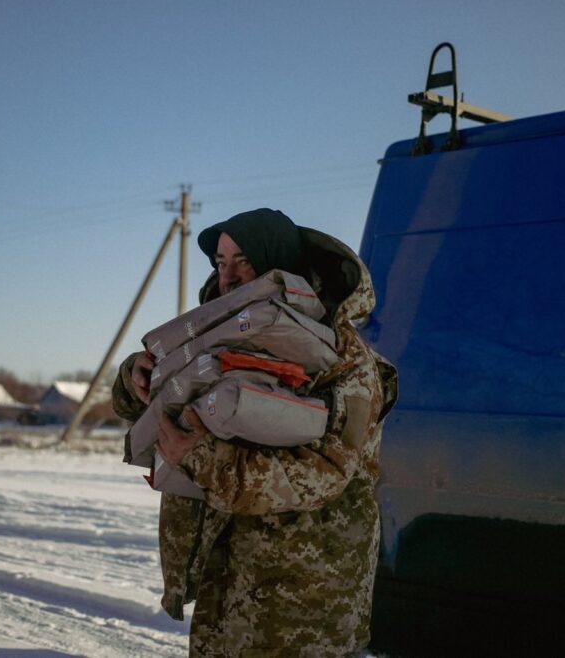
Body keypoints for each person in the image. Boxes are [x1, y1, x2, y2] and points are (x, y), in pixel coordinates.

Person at [112, 208, 397, 656]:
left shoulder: (341, 358)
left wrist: (205, 459)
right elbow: (151, 404)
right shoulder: (214, 333)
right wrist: (137, 375)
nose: (228, 276)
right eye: (221, 263)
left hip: (301, 601)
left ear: (279, 264)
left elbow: (325, 470)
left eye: (243, 260)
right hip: (228, 582)